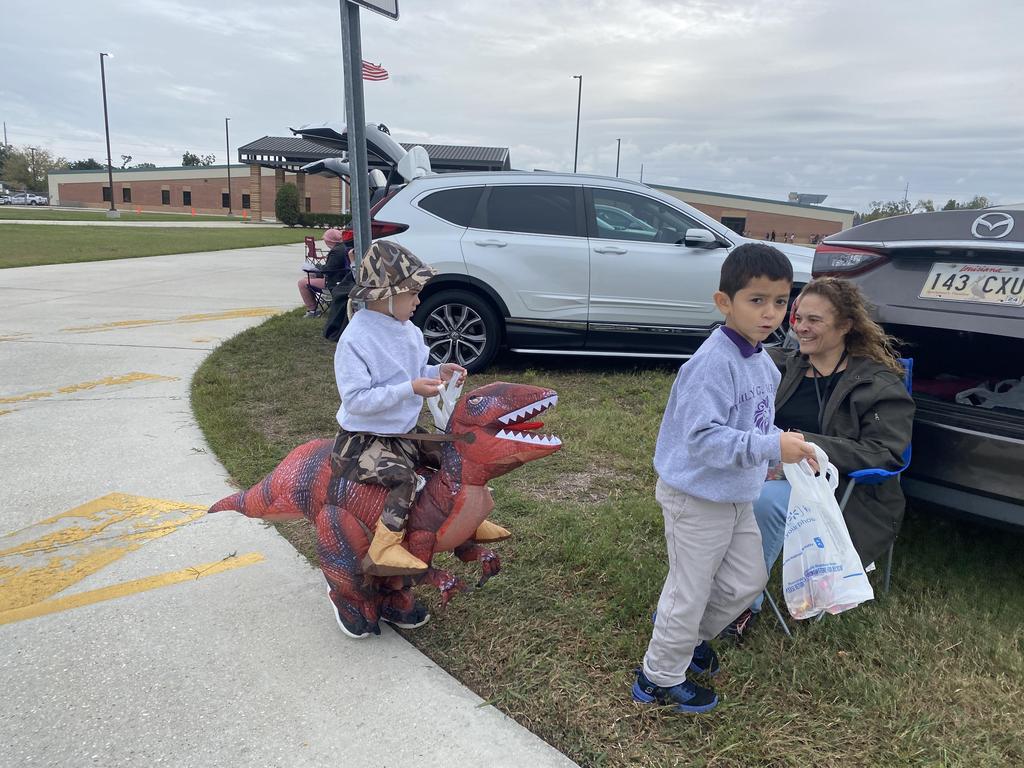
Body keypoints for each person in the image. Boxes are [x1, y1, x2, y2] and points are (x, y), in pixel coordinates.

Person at [631, 243, 817, 714]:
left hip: (737, 494)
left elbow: (755, 426)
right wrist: (770, 447)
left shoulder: (762, 362)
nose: (770, 312)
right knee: (689, 588)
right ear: (724, 302)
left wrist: (782, 448)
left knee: (746, 581)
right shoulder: (712, 364)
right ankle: (658, 677)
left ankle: (685, 635)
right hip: (695, 496)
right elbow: (701, 440)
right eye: (757, 300)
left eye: (780, 301)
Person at [722, 277, 915, 641]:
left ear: (845, 326)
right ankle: (704, 586)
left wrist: (806, 445)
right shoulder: (782, 364)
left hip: (839, 489)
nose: (801, 328)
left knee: (762, 502)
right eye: (798, 318)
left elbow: (886, 453)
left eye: (814, 320)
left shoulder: (877, 384)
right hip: (767, 465)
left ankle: (738, 605)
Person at [332, 240, 502, 578]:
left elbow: (414, 371)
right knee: (404, 479)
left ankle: (468, 523)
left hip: (404, 433)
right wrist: (409, 389)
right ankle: (385, 546)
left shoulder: (407, 330)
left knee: (457, 455)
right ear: (387, 296)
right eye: (412, 293)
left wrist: (438, 372)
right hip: (363, 440)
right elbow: (356, 400)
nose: (418, 301)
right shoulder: (355, 340)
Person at [298, 229, 351, 318]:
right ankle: (316, 305)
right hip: (343, 278)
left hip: (335, 282)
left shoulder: (336, 252)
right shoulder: (344, 247)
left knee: (302, 283)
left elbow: (328, 270)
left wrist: (316, 268)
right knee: (310, 276)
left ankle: (313, 310)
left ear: (330, 241)